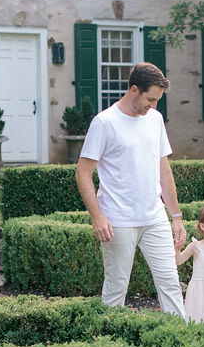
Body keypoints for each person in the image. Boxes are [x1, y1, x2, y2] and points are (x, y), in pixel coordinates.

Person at [76, 62, 187, 316]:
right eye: (150, 99)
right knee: (116, 289)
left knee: (170, 284)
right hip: (118, 221)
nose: (154, 106)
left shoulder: (155, 120)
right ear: (134, 90)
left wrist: (176, 217)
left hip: (154, 218)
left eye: (157, 100)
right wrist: (97, 216)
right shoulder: (105, 122)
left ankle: (179, 341)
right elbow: (83, 173)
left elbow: (164, 170)